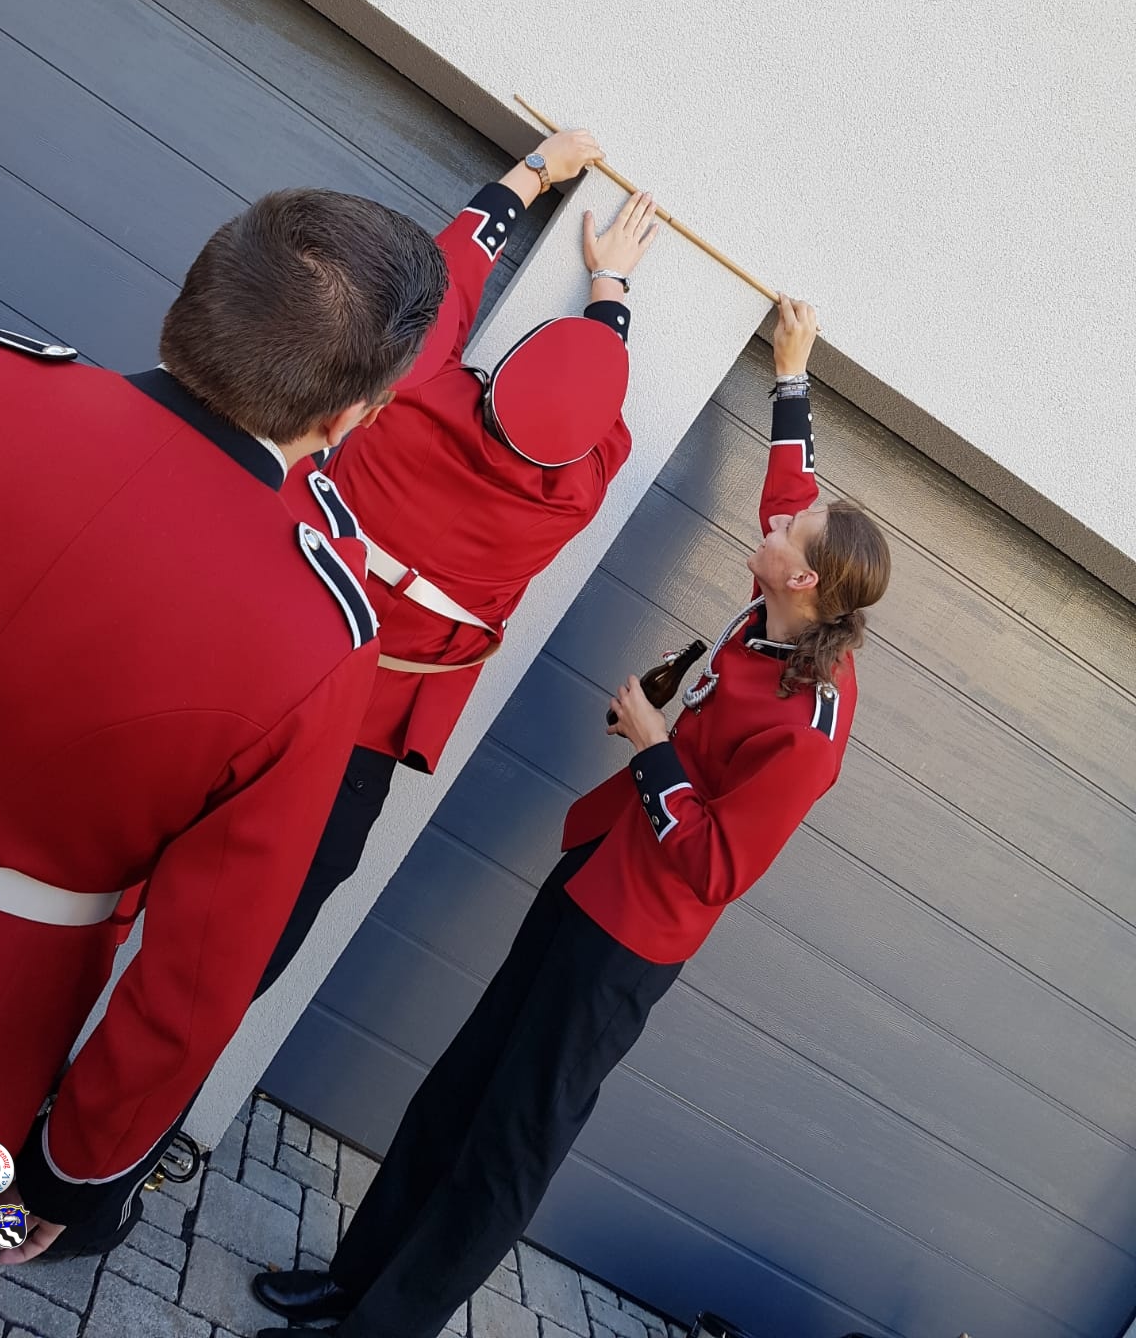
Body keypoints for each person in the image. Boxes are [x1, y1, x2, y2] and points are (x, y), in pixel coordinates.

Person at [252, 294, 892, 1338]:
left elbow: (718, 868)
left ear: (805, 577)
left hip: (628, 942)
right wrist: (791, 372)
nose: (776, 522)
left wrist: (652, 746)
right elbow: (795, 481)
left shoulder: (808, 726)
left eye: (788, 532)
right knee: (462, 1085)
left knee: (509, 1143)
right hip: (591, 874)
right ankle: (351, 1282)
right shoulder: (788, 598)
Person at [0, 185, 449, 1261]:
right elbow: (197, 974)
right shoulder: (316, 633)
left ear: (191, 298)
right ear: (350, 417)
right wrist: (77, 1165)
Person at [255, 128, 660, 996]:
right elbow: (600, 413)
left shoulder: (408, 399)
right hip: (362, 742)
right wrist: (612, 287)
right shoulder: (574, 497)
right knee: (258, 948)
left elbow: (444, 278)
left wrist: (532, 176)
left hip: (261, 673)